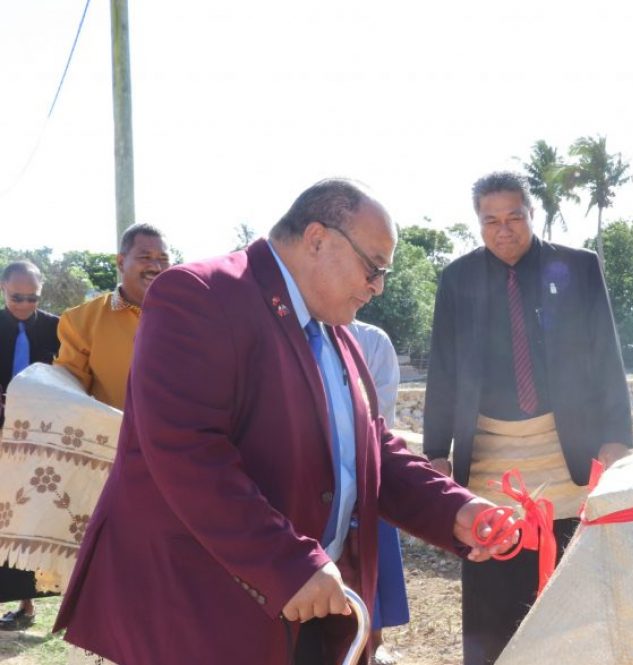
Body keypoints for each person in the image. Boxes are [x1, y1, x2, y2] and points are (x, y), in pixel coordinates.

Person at [54, 179, 510, 665]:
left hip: (306, 601)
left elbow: (369, 449)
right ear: (318, 239)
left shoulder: (337, 332)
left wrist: (454, 510)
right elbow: (188, 454)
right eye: (374, 267)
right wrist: (288, 562)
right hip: (206, 611)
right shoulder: (199, 295)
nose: (377, 285)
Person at [423, 171, 633, 665]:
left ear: (532, 214)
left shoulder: (577, 267)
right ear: (478, 224)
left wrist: (617, 435)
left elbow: (606, 351)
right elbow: (444, 367)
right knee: (493, 586)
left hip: (569, 453)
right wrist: (435, 452)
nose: (504, 230)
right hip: (489, 456)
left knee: (571, 583)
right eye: (490, 220)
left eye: (514, 216)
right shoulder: (458, 279)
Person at [0, 260, 61, 631]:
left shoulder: (59, 329)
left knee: (31, 518)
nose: (24, 304)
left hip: (43, 438)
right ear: (3, 289)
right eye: (15, 297)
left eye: (32, 297)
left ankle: (28, 604)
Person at [55, 223, 171, 409]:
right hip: (110, 436)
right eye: (145, 257)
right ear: (120, 263)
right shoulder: (81, 320)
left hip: (179, 435)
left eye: (163, 258)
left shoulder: (189, 315)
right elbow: (67, 390)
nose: (156, 267)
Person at [347, 320, 408, 665]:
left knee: (374, 558)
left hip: (366, 466)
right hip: (318, 474)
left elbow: (380, 413)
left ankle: (376, 642)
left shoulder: (373, 340)